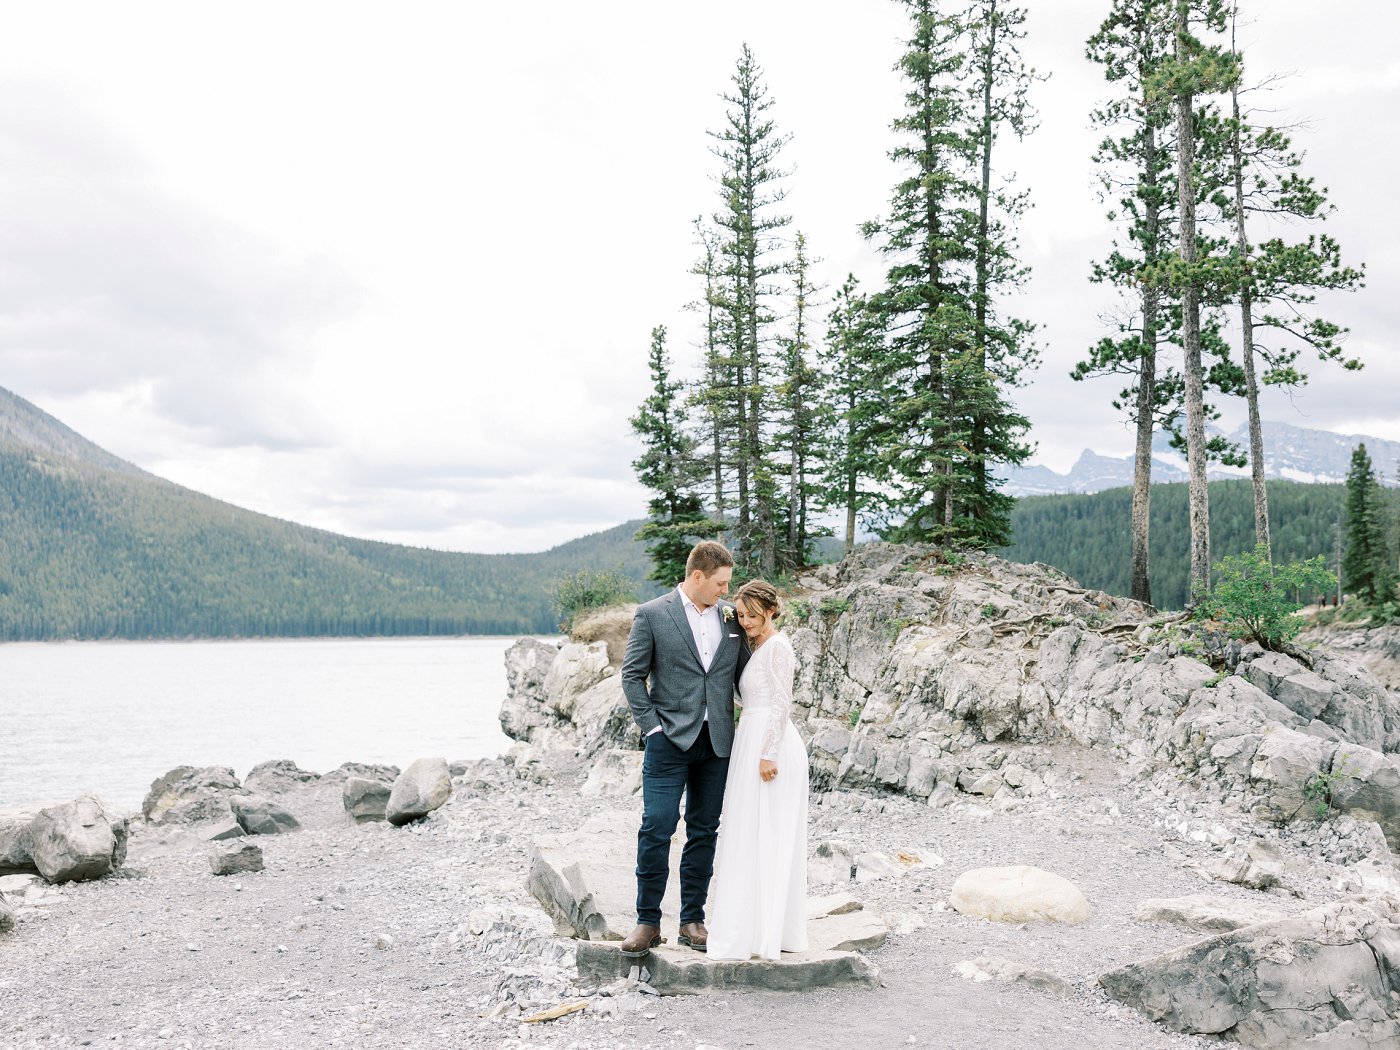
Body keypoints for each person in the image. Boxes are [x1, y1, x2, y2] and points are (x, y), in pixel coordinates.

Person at [618, 540, 749, 956]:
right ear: (697, 576)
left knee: (704, 830)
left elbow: (745, 674)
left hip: (717, 743)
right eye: (721, 583)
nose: (726, 591)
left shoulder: (730, 618)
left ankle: (693, 920)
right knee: (656, 827)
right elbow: (632, 676)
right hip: (667, 741)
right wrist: (651, 729)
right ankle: (647, 921)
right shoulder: (653, 614)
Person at [706, 579, 809, 961]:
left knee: (768, 834)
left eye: (751, 615)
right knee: (751, 833)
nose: (745, 622)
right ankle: (755, 927)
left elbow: (782, 704)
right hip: (751, 735)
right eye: (742, 615)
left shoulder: (779, 647)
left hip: (771, 747)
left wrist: (768, 753)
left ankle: (767, 932)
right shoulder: (756, 646)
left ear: (769, 609)